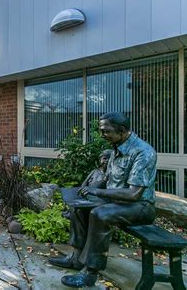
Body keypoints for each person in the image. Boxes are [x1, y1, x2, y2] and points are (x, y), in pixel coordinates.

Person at [49, 112, 157, 288]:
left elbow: (133, 194)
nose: (102, 135)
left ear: (121, 130)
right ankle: (76, 258)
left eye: (106, 131)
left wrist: (98, 193)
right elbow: (108, 178)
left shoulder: (143, 152)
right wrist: (88, 190)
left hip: (140, 207)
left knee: (99, 214)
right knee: (79, 208)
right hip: (117, 203)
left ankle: (90, 272)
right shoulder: (117, 146)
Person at [62, 149, 112, 219]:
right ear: (100, 159)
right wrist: (83, 189)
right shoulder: (94, 171)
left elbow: (99, 187)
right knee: (71, 197)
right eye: (104, 158)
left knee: (95, 201)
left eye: (109, 159)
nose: (106, 161)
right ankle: (71, 210)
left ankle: (72, 209)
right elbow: (84, 183)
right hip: (87, 194)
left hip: (99, 197)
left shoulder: (110, 174)